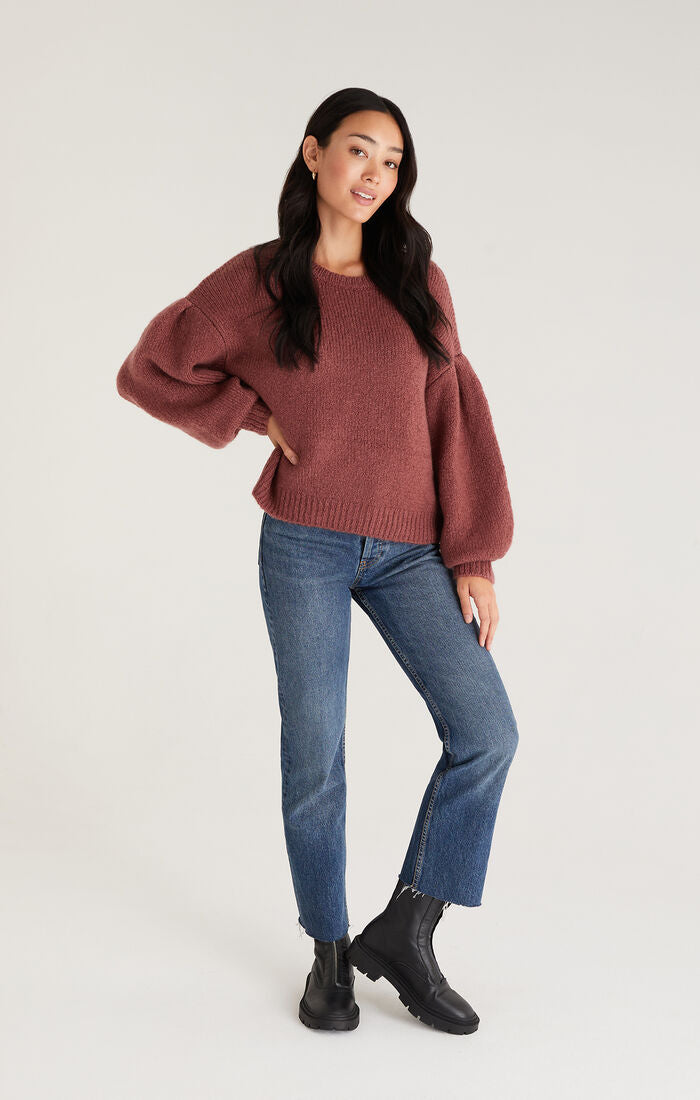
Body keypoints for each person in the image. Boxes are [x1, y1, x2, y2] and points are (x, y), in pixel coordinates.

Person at [116, 87, 519, 1036]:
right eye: (359, 150)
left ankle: (407, 930)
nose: (375, 174)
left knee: (487, 731)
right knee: (316, 754)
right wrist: (254, 417)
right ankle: (329, 951)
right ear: (313, 154)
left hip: (411, 552)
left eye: (393, 161)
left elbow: (453, 411)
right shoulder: (259, 282)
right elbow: (150, 369)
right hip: (305, 543)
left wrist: (474, 553)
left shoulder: (419, 280)